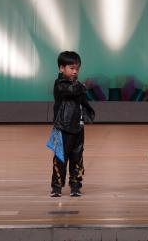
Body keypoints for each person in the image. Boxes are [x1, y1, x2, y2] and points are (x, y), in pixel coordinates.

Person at [50, 51, 95, 197]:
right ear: (61, 68)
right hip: (63, 127)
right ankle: (56, 186)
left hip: (78, 127)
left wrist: (88, 114)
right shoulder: (60, 84)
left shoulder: (77, 85)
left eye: (77, 68)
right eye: (71, 68)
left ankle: (75, 185)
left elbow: (83, 102)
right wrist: (83, 86)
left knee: (77, 158)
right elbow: (71, 90)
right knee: (60, 158)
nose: (75, 71)